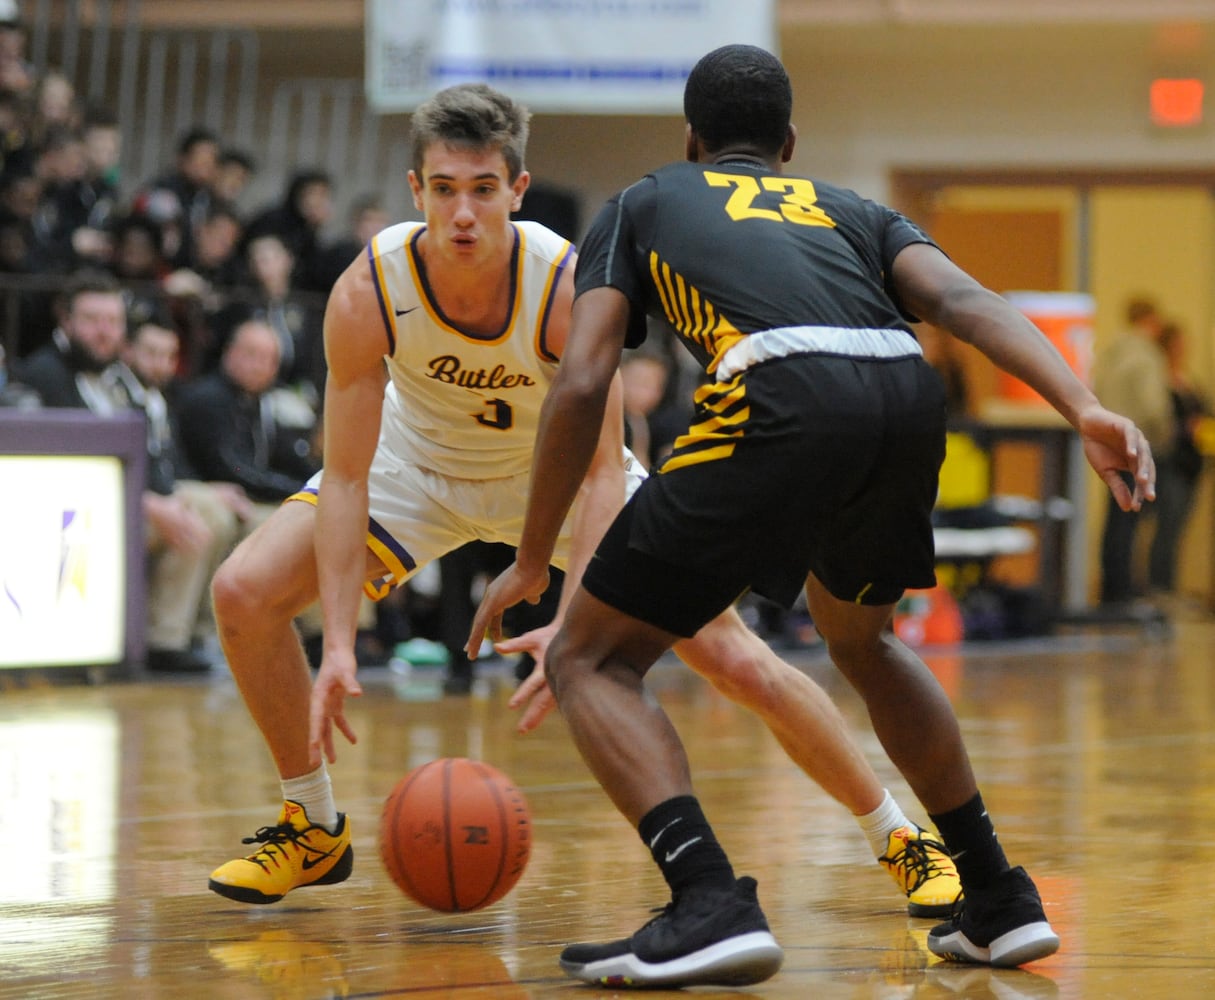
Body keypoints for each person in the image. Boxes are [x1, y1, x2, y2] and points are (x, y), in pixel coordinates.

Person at [466, 45, 1156, 988]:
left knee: (588, 658)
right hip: (905, 395)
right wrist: (1082, 406)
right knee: (863, 642)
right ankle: (996, 896)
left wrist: (533, 558)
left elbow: (585, 376)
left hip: (779, 386)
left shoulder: (645, 198)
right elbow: (959, 300)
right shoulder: (852, 207)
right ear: (787, 143)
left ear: (691, 140)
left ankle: (707, 900)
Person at [206, 82, 962, 926]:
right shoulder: (367, 288)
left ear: (516, 191)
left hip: (560, 484)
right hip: (415, 472)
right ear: (415, 192)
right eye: (444, 190)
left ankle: (898, 834)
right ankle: (311, 823)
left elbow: (602, 471)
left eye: (483, 190)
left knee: (733, 656)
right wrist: (340, 642)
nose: (463, 214)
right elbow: (344, 477)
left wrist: (572, 621)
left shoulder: (563, 280)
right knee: (243, 592)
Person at [115, 316, 254, 672]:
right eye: (150, 352)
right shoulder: (117, 391)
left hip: (158, 490)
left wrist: (206, 489)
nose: (159, 363)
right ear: (128, 350)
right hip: (127, 500)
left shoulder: (162, 396)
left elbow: (173, 466)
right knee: (206, 515)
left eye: (167, 355)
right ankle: (166, 636)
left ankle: (196, 631)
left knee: (223, 508)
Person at [1092, 297, 1172, 610]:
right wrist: (1163, 438)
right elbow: (1154, 406)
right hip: (1139, 443)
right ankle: (1125, 592)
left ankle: (1111, 588)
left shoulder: (1111, 352)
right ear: (1152, 320)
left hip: (1111, 441)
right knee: (1134, 517)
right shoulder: (1147, 355)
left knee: (1116, 518)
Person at [1148, 320, 1209, 595]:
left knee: (1177, 528)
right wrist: (1186, 428)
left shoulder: (1187, 380)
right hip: (1171, 462)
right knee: (1166, 528)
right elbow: (1161, 421)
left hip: (1192, 464)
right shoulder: (1159, 380)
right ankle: (1160, 587)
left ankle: (1167, 587)